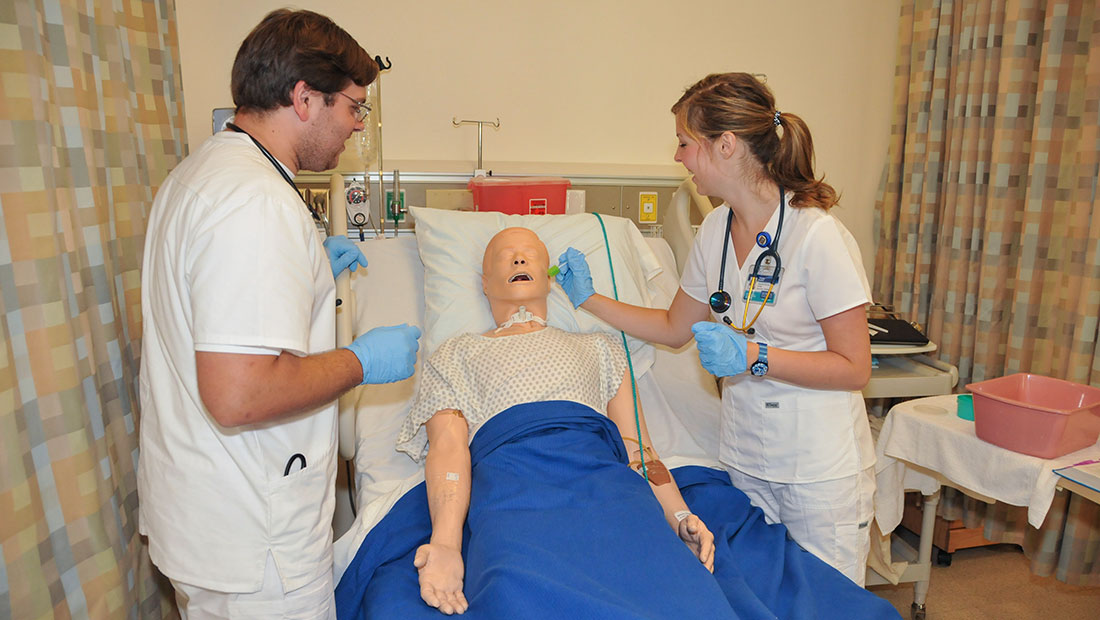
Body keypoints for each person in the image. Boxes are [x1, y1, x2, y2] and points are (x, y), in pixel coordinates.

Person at [138, 9, 420, 618]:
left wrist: (308, 272)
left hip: (209, 518)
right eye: (353, 108)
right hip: (255, 547)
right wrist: (361, 362)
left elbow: (216, 306)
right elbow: (238, 394)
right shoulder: (254, 205)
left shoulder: (204, 174)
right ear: (304, 98)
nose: (355, 128)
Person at [555, 72, 877, 585]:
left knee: (825, 602)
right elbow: (672, 327)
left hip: (818, 468)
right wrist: (589, 299)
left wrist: (754, 356)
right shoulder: (714, 232)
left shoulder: (819, 237)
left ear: (725, 146)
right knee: (756, 595)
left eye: (685, 143)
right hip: (746, 458)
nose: (678, 157)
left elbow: (854, 367)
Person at [394, 227, 715, 615]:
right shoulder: (456, 354)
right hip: (513, 494)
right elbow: (447, 449)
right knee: (518, 591)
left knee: (672, 592)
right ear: (484, 282)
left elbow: (639, 450)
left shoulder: (600, 348)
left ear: (550, 277)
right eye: (504, 255)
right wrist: (445, 543)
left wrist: (679, 515)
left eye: (530, 253)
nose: (518, 259)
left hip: (606, 488)